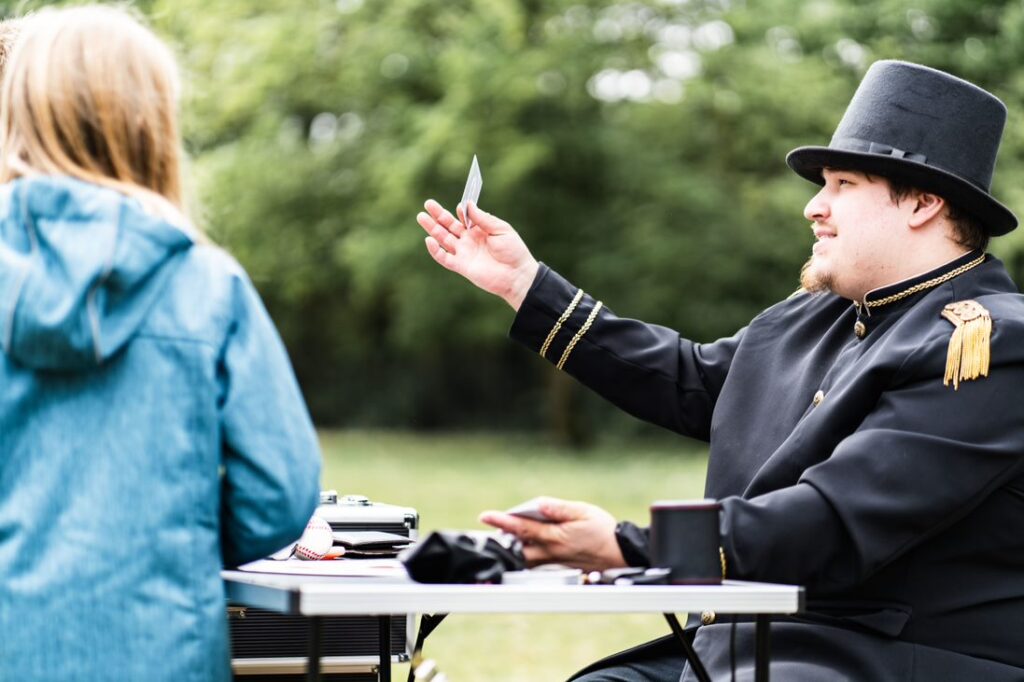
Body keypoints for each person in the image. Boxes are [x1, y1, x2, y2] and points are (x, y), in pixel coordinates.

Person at [417, 60, 1024, 680]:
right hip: (762, 643)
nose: (815, 207)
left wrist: (630, 545)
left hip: (889, 658)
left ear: (923, 203)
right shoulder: (817, 316)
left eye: (843, 184)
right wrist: (525, 286)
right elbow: (695, 384)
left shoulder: (987, 343)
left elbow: (832, 521)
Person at [0, 7, 321, 681]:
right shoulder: (208, 286)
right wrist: (182, 538)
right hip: (162, 649)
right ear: (152, 124)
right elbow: (281, 496)